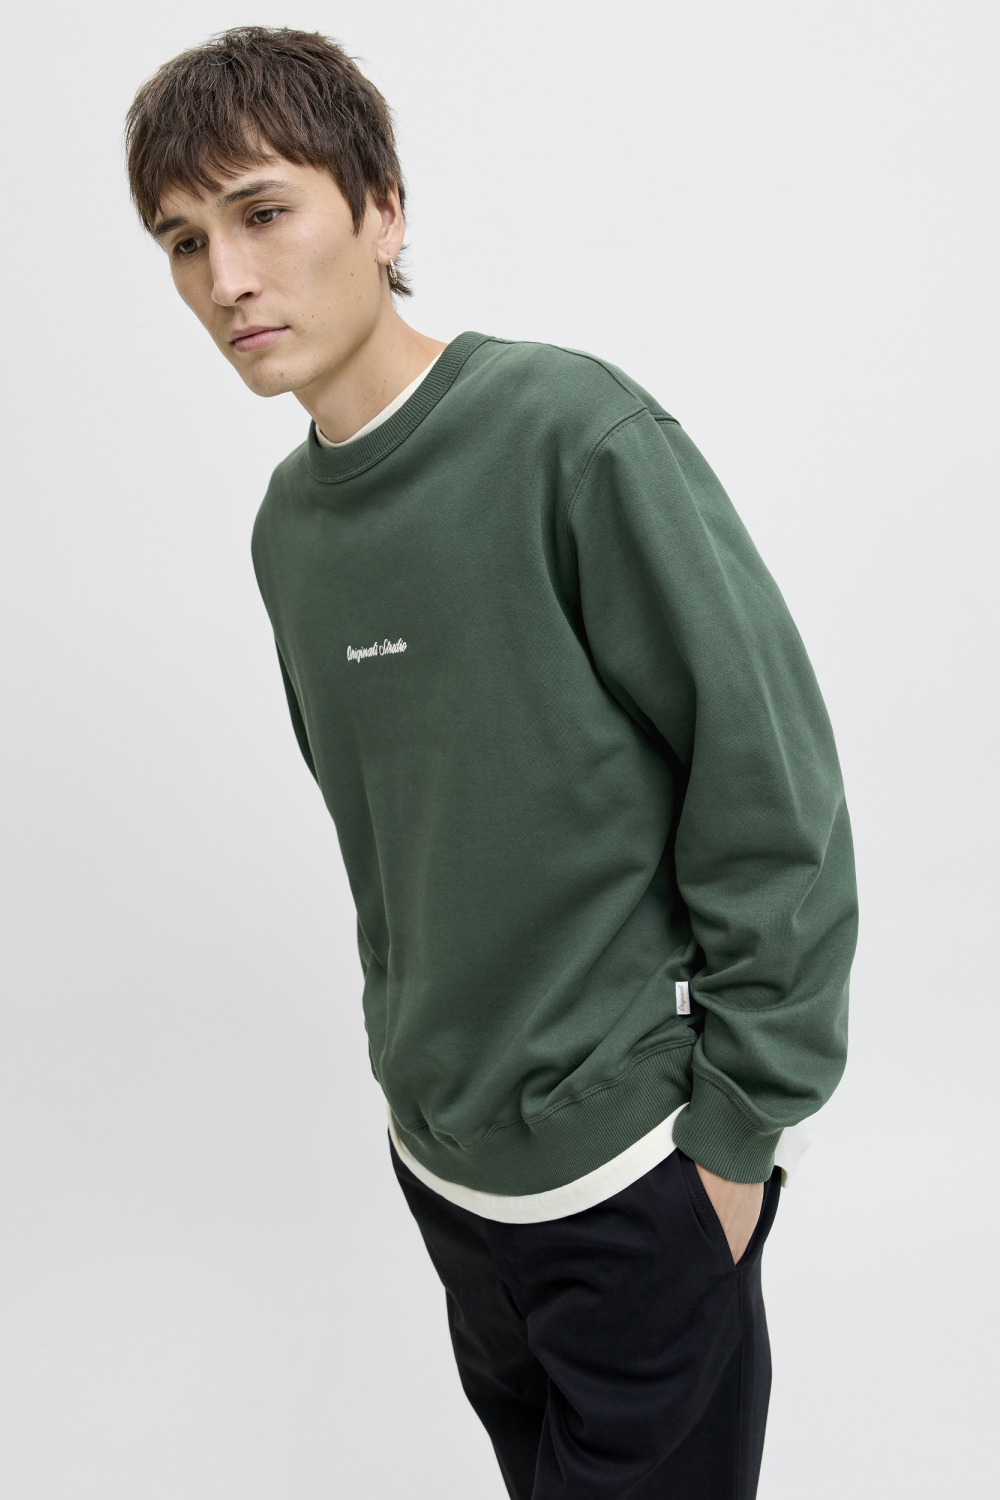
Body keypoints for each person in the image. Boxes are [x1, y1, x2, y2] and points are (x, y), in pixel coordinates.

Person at [125, 26, 857, 1500]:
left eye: (262, 212)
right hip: (451, 1184)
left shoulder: (569, 436)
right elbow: (392, 838)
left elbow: (772, 792)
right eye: (185, 241)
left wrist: (732, 1145)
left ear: (383, 209)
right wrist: (417, 1098)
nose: (226, 280)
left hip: (638, 1183)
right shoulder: (288, 531)